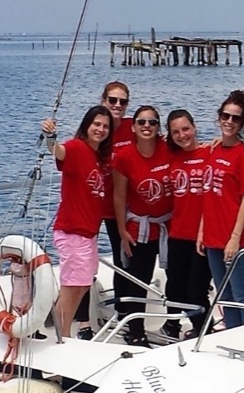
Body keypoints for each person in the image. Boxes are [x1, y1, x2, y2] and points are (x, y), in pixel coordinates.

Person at [41, 106, 113, 339]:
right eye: (96, 124)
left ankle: (62, 336)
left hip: (88, 235)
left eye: (105, 126)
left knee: (82, 286)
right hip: (72, 232)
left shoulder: (97, 157)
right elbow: (58, 151)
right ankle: (62, 340)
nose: (100, 129)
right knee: (71, 289)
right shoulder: (77, 147)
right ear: (86, 125)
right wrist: (51, 136)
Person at [75, 81, 135, 340]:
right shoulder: (95, 129)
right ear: (103, 100)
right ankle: (83, 323)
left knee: (124, 261)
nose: (117, 105)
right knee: (83, 264)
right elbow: (68, 154)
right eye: (113, 100)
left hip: (120, 209)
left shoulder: (134, 128)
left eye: (123, 101)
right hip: (91, 207)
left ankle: (124, 313)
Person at [112, 105, 173, 347]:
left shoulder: (169, 147)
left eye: (152, 122)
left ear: (158, 127)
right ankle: (136, 332)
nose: (147, 126)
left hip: (169, 225)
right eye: (141, 122)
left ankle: (174, 324)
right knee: (139, 281)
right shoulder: (124, 156)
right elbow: (119, 196)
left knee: (177, 278)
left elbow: (193, 147)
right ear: (134, 127)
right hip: (140, 228)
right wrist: (122, 231)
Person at [198, 92, 244, 329]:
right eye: (226, 116)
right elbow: (208, 195)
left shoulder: (243, 155)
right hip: (212, 236)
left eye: (236, 118)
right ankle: (232, 333)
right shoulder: (213, 150)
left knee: (242, 294)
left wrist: (235, 238)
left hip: (234, 236)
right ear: (219, 117)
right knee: (224, 294)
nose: (229, 121)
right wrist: (202, 231)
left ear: (242, 123)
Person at [162, 109, 212, 339]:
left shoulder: (210, 152)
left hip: (203, 235)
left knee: (196, 290)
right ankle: (172, 327)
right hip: (177, 233)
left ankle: (204, 330)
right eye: (176, 132)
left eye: (186, 129)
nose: (182, 135)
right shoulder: (171, 157)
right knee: (174, 288)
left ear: (194, 127)